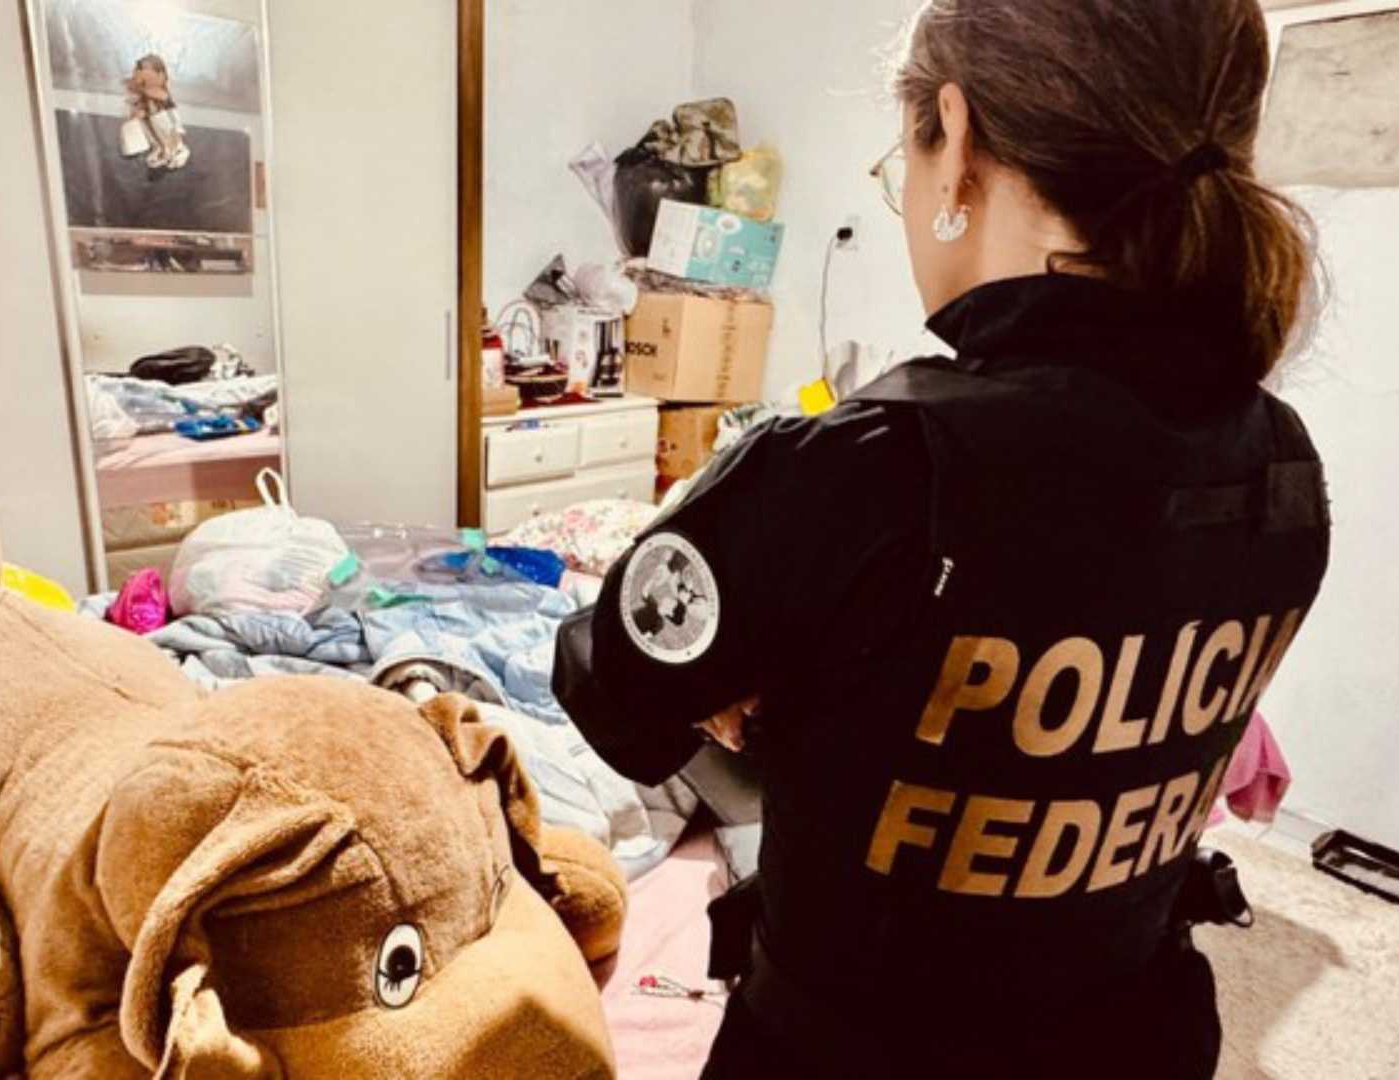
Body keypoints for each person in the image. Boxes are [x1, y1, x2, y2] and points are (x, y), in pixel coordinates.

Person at [552, 0, 1331, 1075]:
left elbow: (614, 679)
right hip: (1136, 1038)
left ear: (954, 141)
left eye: (901, 165)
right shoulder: (1282, 462)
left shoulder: (868, 464)